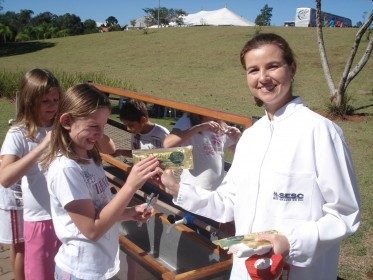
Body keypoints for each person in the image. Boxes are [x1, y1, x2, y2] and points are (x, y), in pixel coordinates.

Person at [159, 33, 361, 280]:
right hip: (246, 271)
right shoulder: (251, 137)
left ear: (292, 68)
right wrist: (179, 189)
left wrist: (290, 241)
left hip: (298, 273)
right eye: (253, 70)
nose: (263, 77)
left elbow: (344, 213)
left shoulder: (321, 131)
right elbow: (228, 203)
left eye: (272, 66)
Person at [42, 83, 161, 279]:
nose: (100, 134)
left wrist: (130, 213)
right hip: (81, 271)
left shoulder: (89, 157)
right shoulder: (66, 169)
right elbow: (92, 230)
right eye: (93, 126)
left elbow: (99, 211)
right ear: (66, 121)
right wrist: (131, 185)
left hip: (102, 266)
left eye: (104, 126)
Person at [0, 68, 62, 280]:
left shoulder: (60, 127)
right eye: (46, 101)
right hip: (36, 215)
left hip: (61, 214)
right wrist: (41, 147)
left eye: (56, 100)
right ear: (30, 100)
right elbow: (5, 177)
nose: (53, 106)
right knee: (30, 261)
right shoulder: (18, 133)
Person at [163, 113, 241, 191]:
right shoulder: (187, 120)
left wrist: (237, 138)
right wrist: (200, 127)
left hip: (215, 190)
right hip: (192, 188)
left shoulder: (223, 126)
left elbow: (239, 153)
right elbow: (168, 143)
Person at [97, 99, 170, 157]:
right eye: (126, 125)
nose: (128, 129)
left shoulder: (162, 135)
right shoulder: (136, 132)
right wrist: (120, 152)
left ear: (143, 120)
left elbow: (173, 158)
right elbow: (136, 153)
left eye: (131, 125)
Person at [0, 156, 24, 280]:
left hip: (19, 201)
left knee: (17, 246)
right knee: (21, 247)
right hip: (15, 203)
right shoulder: (15, 138)